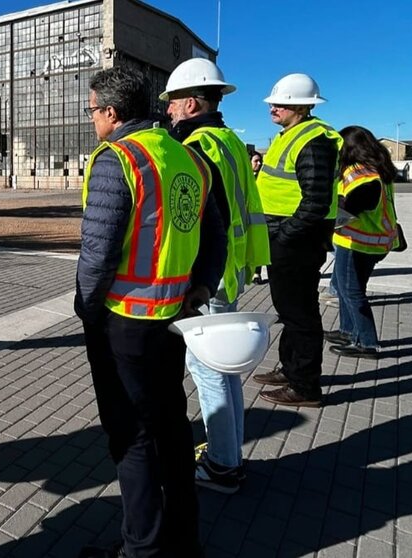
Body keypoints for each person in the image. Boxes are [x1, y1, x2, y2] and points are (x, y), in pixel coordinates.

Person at [76, 66, 227, 558]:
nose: (93, 119)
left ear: (112, 113)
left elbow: (97, 253)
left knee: (131, 437)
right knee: (172, 428)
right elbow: (216, 235)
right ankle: (185, 540)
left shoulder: (116, 158)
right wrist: (200, 288)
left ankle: (141, 548)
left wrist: (87, 308)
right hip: (175, 319)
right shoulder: (190, 158)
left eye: (93, 110)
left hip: (125, 323)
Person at [162, 58, 271, 494]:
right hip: (231, 269)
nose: (167, 112)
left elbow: (206, 218)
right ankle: (228, 455)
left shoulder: (198, 146)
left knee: (209, 371)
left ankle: (224, 465)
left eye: (171, 104)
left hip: (211, 277)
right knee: (223, 370)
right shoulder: (227, 140)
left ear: (190, 103)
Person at [251, 74, 342, 408]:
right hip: (289, 237)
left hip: (297, 241)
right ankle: (291, 370)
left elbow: (316, 202)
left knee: (300, 313)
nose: (273, 107)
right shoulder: (291, 134)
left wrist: (285, 235)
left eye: (282, 103)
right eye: (274, 102)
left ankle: (304, 386)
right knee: (290, 311)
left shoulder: (313, 141)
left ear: (303, 106)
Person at [324, 126, 399, 359]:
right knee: (348, 290)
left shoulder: (364, 176)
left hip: (357, 242)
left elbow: (352, 207)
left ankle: (367, 343)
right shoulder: (377, 170)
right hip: (372, 241)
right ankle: (348, 332)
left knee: (352, 292)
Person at [249, 148, 267, 285]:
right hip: (248, 216)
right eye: (256, 161)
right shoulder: (246, 178)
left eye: (260, 161)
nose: (259, 164)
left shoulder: (265, 177)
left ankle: (257, 273)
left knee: (259, 244)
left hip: (262, 216)